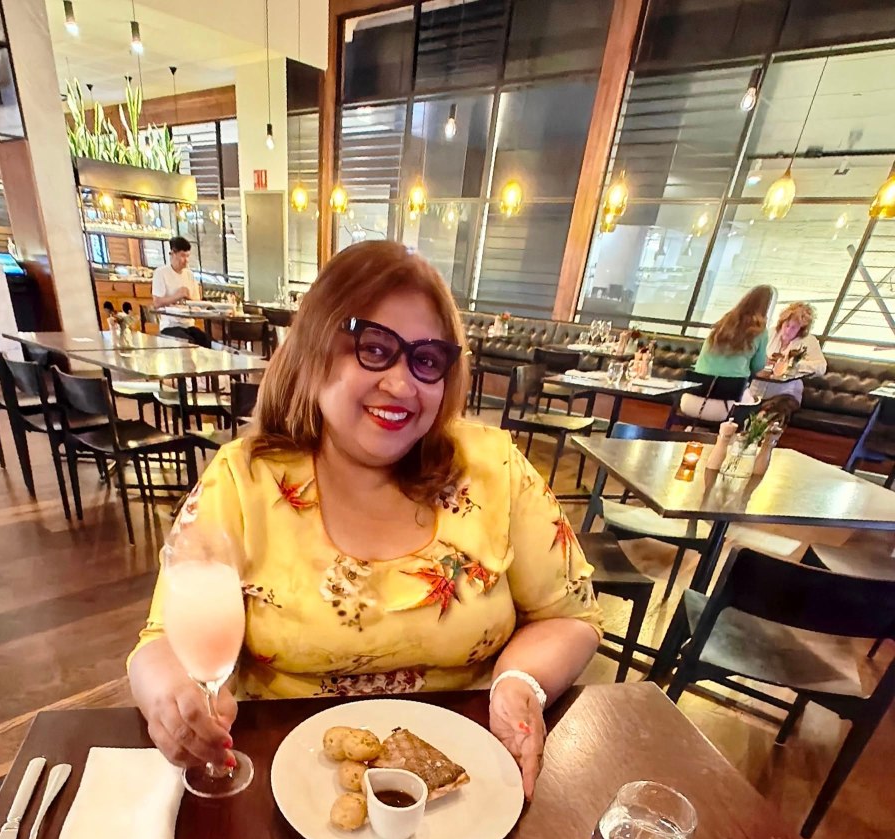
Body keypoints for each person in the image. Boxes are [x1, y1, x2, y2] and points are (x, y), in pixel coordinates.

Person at [128, 241, 602, 799]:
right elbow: (161, 643)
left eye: (427, 360)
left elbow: (571, 617)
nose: (402, 385)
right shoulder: (242, 479)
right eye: (374, 349)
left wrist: (520, 684)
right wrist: (171, 697)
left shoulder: (495, 469)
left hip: (466, 782)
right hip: (282, 780)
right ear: (314, 352)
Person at [679, 284, 775, 423]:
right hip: (725, 408)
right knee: (755, 405)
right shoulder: (759, 331)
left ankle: (694, 428)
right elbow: (758, 366)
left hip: (689, 402)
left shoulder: (722, 323)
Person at [747, 301, 827, 427]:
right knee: (741, 406)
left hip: (786, 394)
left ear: (801, 329)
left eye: (794, 328)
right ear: (781, 322)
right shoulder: (769, 334)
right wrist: (761, 360)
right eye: (787, 325)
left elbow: (821, 367)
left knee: (773, 412)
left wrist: (793, 364)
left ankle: (762, 433)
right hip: (756, 390)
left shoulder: (809, 341)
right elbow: (749, 354)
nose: (788, 330)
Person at [150, 236, 207, 346]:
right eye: (182, 256)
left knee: (206, 341)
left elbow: (197, 302)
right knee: (188, 342)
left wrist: (188, 297)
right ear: (173, 253)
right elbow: (156, 303)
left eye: (187, 256)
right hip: (170, 325)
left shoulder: (189, 275)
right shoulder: (161, 273)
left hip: (188, 324)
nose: (186, 260)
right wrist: (177, 296)